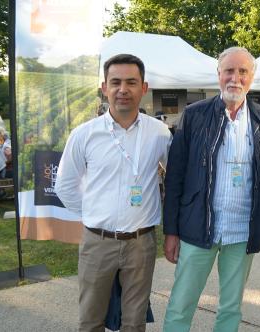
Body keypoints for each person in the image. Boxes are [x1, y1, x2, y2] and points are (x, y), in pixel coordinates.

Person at [162, 46, 260, 331]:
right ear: (218, 75)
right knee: (181, 304)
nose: (235, 77)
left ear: (251, 77)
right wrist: (171, 230)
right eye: (229, 70)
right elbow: (176, 176)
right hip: (197, 228)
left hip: (242, 231)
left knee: (230, 309)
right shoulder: (194, 115)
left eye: (243, 71)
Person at [55, 54, 172, 332]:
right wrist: (94, 214)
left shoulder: (160, 134)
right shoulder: (84, 134)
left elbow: (175, 179)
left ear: (144, 88)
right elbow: (65, 185)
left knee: (134, 322)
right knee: (91, 320)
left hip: (141, 244)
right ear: (104, 87)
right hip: (98, 243)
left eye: (131, 82)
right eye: (115, 82)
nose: (123, 89)